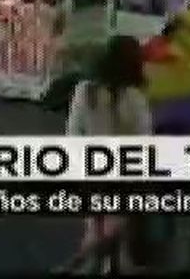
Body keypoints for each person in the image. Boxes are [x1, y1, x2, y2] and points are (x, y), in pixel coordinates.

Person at [61, 35, 151, 273]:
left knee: (95, 221)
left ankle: (94, 258)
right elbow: (144, 140)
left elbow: (73, 132)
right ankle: (108, 257)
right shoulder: (135, 98)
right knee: (117, 220)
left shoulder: (85, 91)